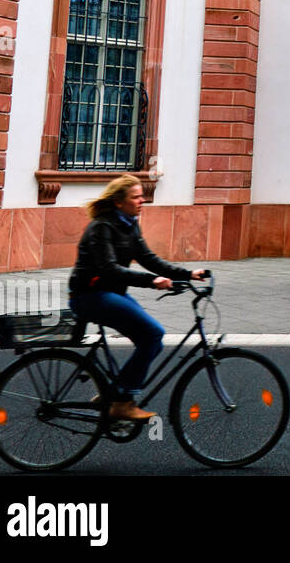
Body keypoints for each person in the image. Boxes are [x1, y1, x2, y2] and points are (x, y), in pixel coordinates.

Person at [68, 175, 207, 422]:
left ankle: (115, 393)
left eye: (142, 195)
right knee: (152, 334)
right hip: (89, 296)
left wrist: (188, 274)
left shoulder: (130, 224)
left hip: (110, 294)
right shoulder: (102, 227)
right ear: (119, 202)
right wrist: (151, 281)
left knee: (153, 339)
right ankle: (122, 402)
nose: (143, 200)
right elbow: (108, 269)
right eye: (136, 196)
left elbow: (149, 259)